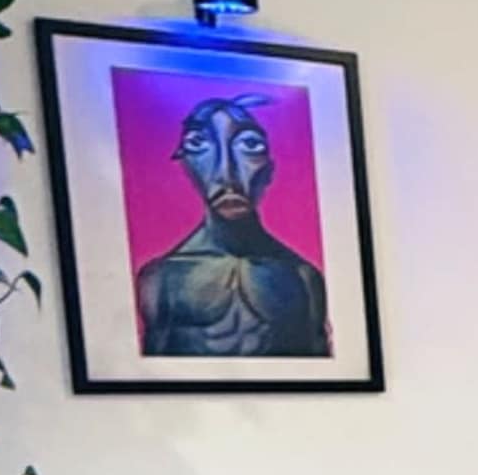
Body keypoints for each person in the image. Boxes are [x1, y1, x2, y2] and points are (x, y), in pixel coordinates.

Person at [135, 93, 331, 359]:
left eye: (250, 145)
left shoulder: (303, 277)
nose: (226, 174)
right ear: (186, 166)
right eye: (198, 144)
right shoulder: (161, 279)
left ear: (269, 170)